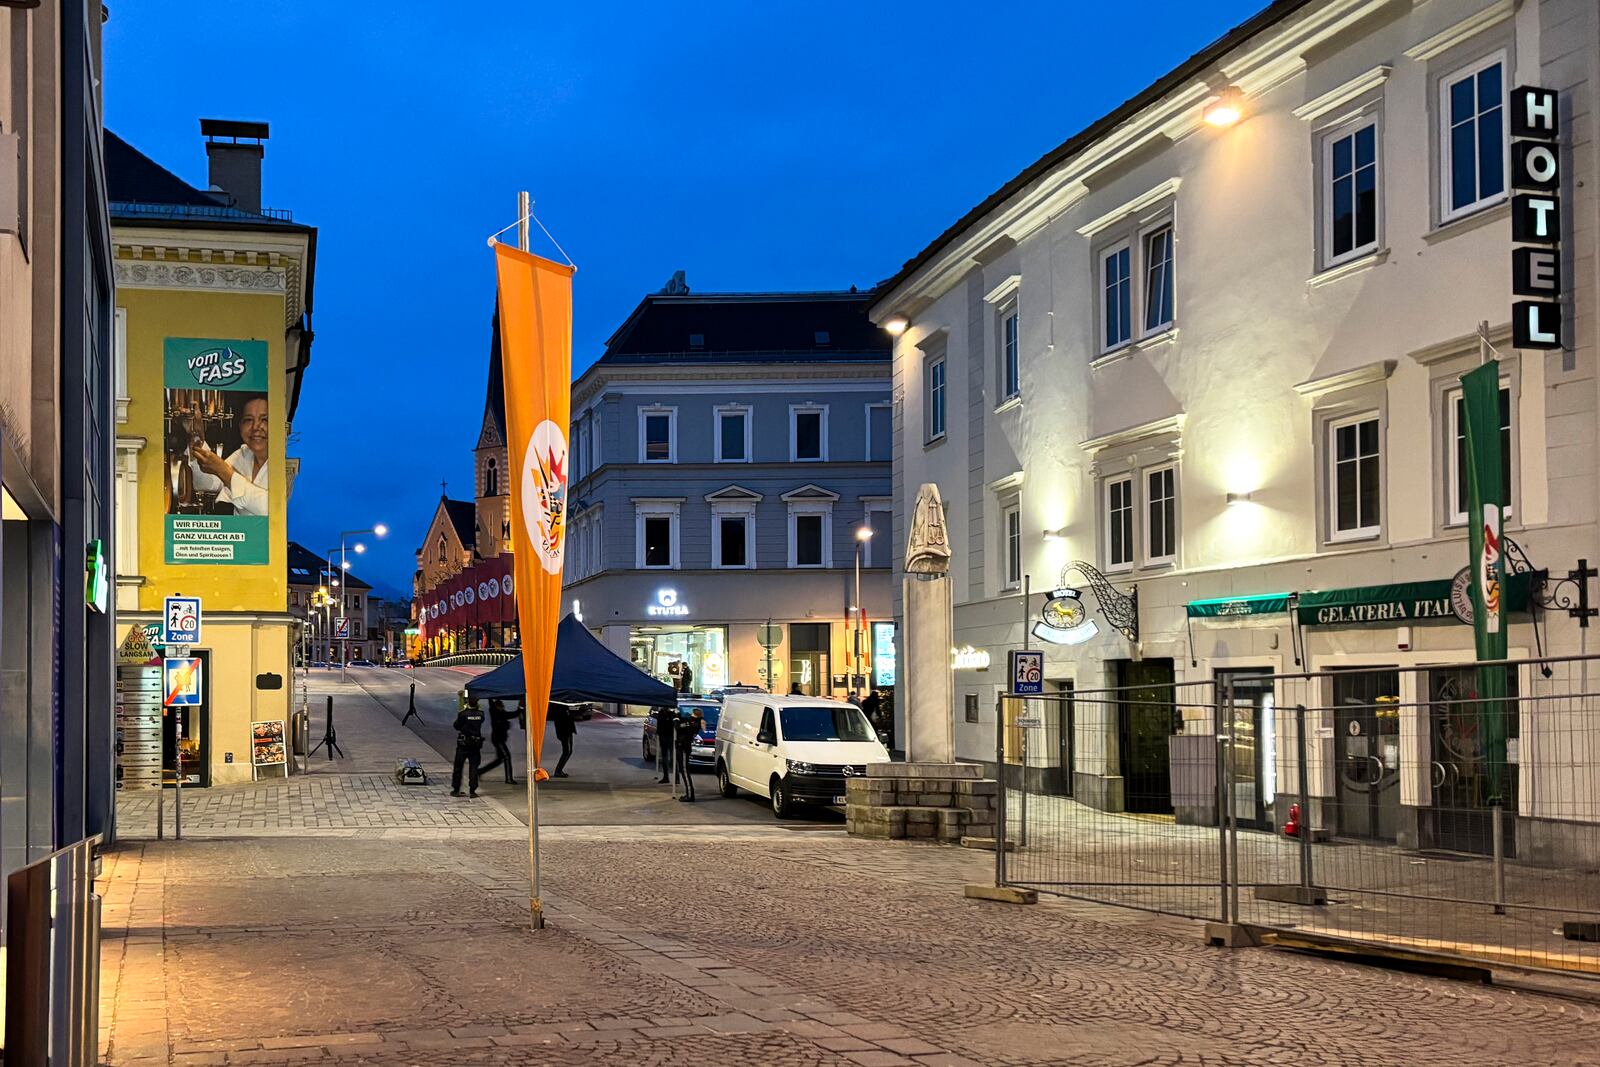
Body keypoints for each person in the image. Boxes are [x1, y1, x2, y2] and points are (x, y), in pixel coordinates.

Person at [189, 395, 270, 516]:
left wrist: (225, 472)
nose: (255, 427)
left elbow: (272, 508)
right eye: (248, 420)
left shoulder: (285, 460)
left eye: (265, 419)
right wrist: (196, 438)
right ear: (240, 425)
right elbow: (208, 484)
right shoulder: (244, 454)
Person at [477, 698, 518, 785]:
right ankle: (509, 778)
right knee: (507, 757)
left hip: (500, 739)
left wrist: (521, 708)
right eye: (501, 706)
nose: (502, 707)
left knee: (499, 759)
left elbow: (514, 714)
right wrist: (491, 696)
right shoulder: (494, 712)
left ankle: (480, 771)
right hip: (498, 739)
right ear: (497, 706)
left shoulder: (502, 714)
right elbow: (491, 703)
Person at [451, 697, 485, 798]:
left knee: (458, 767)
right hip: (475, 744)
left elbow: (456, 726)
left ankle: (456, 789)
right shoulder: (481, 714)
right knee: (474, 767)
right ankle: (473, 790)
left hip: (464, 744)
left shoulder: (463, 714)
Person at [674, 707, 703, 802]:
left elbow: (678, 727)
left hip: (683, 747)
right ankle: (689, 794)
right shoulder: (692, 722)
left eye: (692, 714)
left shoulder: (693, 723)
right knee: (683, 771)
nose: (690, 715)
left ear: (695, 714)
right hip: (683, 746)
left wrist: (676, 718)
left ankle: (690, 795)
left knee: (685, 771)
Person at [550, 701, 576, 778]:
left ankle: (559, 770)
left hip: (567, 731)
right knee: (567, 751)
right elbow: (562, 720)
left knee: (568, 751)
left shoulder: (561, 707)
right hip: (564, 732)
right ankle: (558, 771)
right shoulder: (558, 707)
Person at [652, 704, 675, 784]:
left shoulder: (663, 714)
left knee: (669, 757)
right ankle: (673, 777)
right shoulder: (670, 714)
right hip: (668, 737)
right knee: (671, 757)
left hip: (666, 737)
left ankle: (667, 777)